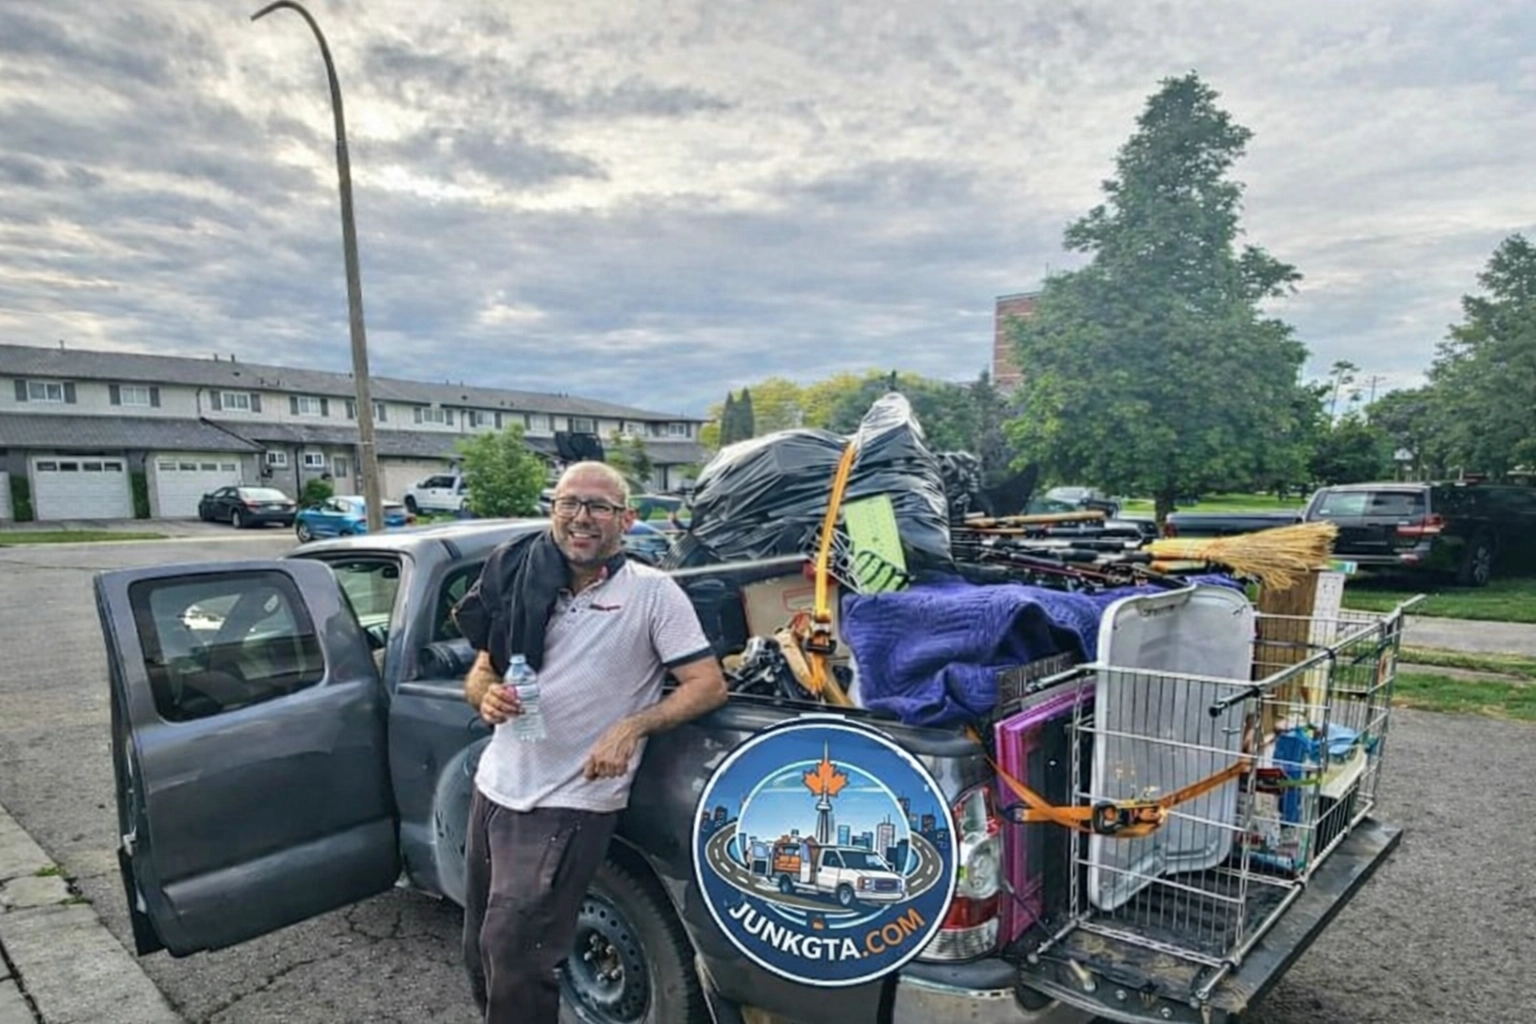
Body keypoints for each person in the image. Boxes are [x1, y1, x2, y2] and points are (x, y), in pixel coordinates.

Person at [450, 460, 728, 1024]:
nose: (582, 518)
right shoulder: (523, 578)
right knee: (482, 950)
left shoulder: (653, 594)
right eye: (569, 503)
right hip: (498, 789)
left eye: (599, 507)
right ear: (553, 511)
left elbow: (708, 685)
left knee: (519, 956)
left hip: (571, 802)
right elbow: (482, 670)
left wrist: (631, 726)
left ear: (625, 520)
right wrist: (484, 696)